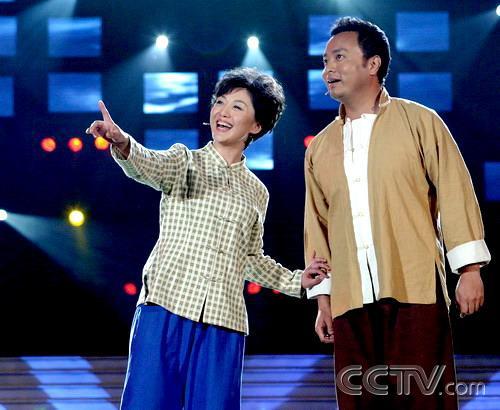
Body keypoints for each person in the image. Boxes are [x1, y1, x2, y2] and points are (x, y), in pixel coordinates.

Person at [86, 67, 329, 410]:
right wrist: (123, 142)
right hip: (166, 308)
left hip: (223, 320)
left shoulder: (257, 192)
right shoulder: (184, 161)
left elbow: (250, 258)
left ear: (256, 125)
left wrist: (297, 281)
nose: (222, 112)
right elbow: (149, 164)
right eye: (220, 102)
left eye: (237, 106)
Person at [304, 17, 491, 410]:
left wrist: (469, 270)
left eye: (339, 57)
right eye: (325, 61)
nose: (328, 69)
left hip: (414, 290)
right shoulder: (320, 147)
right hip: (350, 299)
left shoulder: (419, 121)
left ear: (372, 64)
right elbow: (316, 226)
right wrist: (323, 298)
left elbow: (455, 190)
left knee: (425, 399)